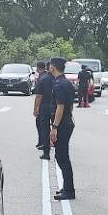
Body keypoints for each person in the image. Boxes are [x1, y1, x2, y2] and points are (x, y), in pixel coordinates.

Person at [49, 57, 77, 200]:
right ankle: (67, 187)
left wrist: (54, 127)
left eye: (50, 66)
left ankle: (69, 190)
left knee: (62, 157)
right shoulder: (66, 82)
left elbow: (60, 107)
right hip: (67, 122)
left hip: (62, 125)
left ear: (53, 68)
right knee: (61, 156)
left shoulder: (59, 84)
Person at [33, 61, 55, 160]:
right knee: (57, 128)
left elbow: (38, 95)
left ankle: (46, 153)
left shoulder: (43, 79)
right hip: (56, 107)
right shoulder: (58, 79)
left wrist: (36, 108)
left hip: (44, 107)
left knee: (45, 129)